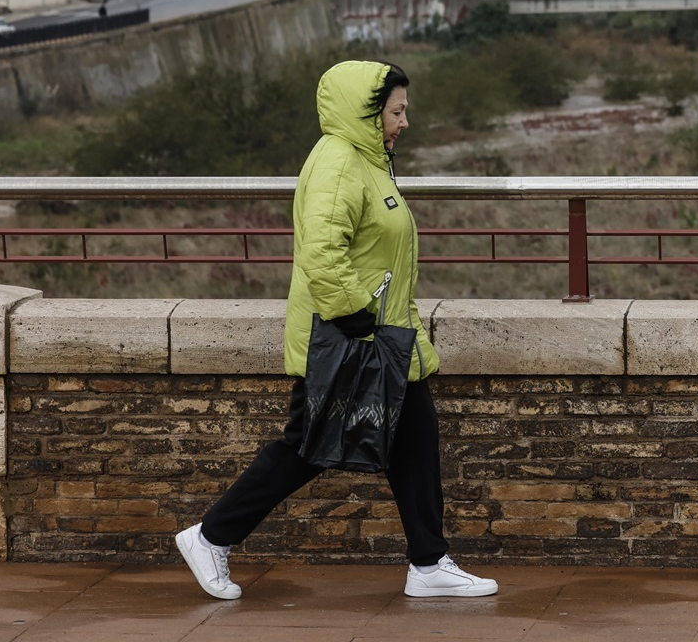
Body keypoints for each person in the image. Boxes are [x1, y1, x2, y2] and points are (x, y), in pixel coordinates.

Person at [176, 60, 497, 600]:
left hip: (383, 340)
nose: (405, 122)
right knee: (305, 446)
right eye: (396, 111)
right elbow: (322, 251)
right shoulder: (339, 164)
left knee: (416, 437)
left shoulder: (368, 161)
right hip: (350, 340)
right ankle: (211, 536)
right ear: (367, 113)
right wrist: (357, 318)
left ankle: (429, 561)